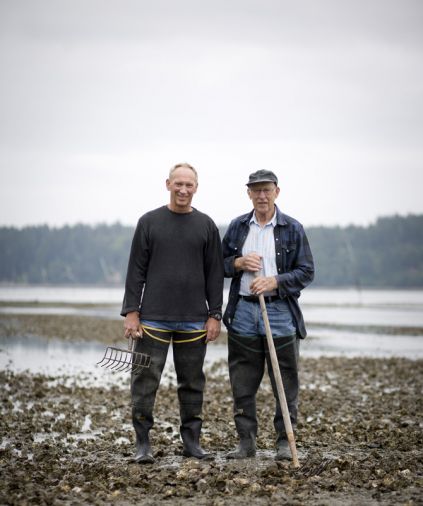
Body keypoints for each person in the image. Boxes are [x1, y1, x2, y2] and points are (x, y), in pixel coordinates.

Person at [121, 163, 224, 464]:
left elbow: (215, 274)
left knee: (192, 383)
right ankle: (143, 445)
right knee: (144, 381)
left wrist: (214, 315)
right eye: (178, 184)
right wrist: (131, 311)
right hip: (152, 319)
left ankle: (191, 443)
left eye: (188, 185)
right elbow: (135, 271)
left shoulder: (206, 226)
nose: (183, 190)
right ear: (167, 184)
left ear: (196, 188)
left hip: (194, 320)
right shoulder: (149, 222)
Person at [222, 169, 314, 460]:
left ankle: (284, 442)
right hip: (244, 311)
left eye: (267, 190)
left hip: (279, 311)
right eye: (256, 190)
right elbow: (219, 264)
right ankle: (246, 442)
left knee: (284, 380)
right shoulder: (237, 227)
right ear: (248, 193)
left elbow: (306, 271)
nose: (261, 195)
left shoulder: (293, 228)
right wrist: (238, 262)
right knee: (243, 380)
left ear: (277, 191)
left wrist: (275, 281)